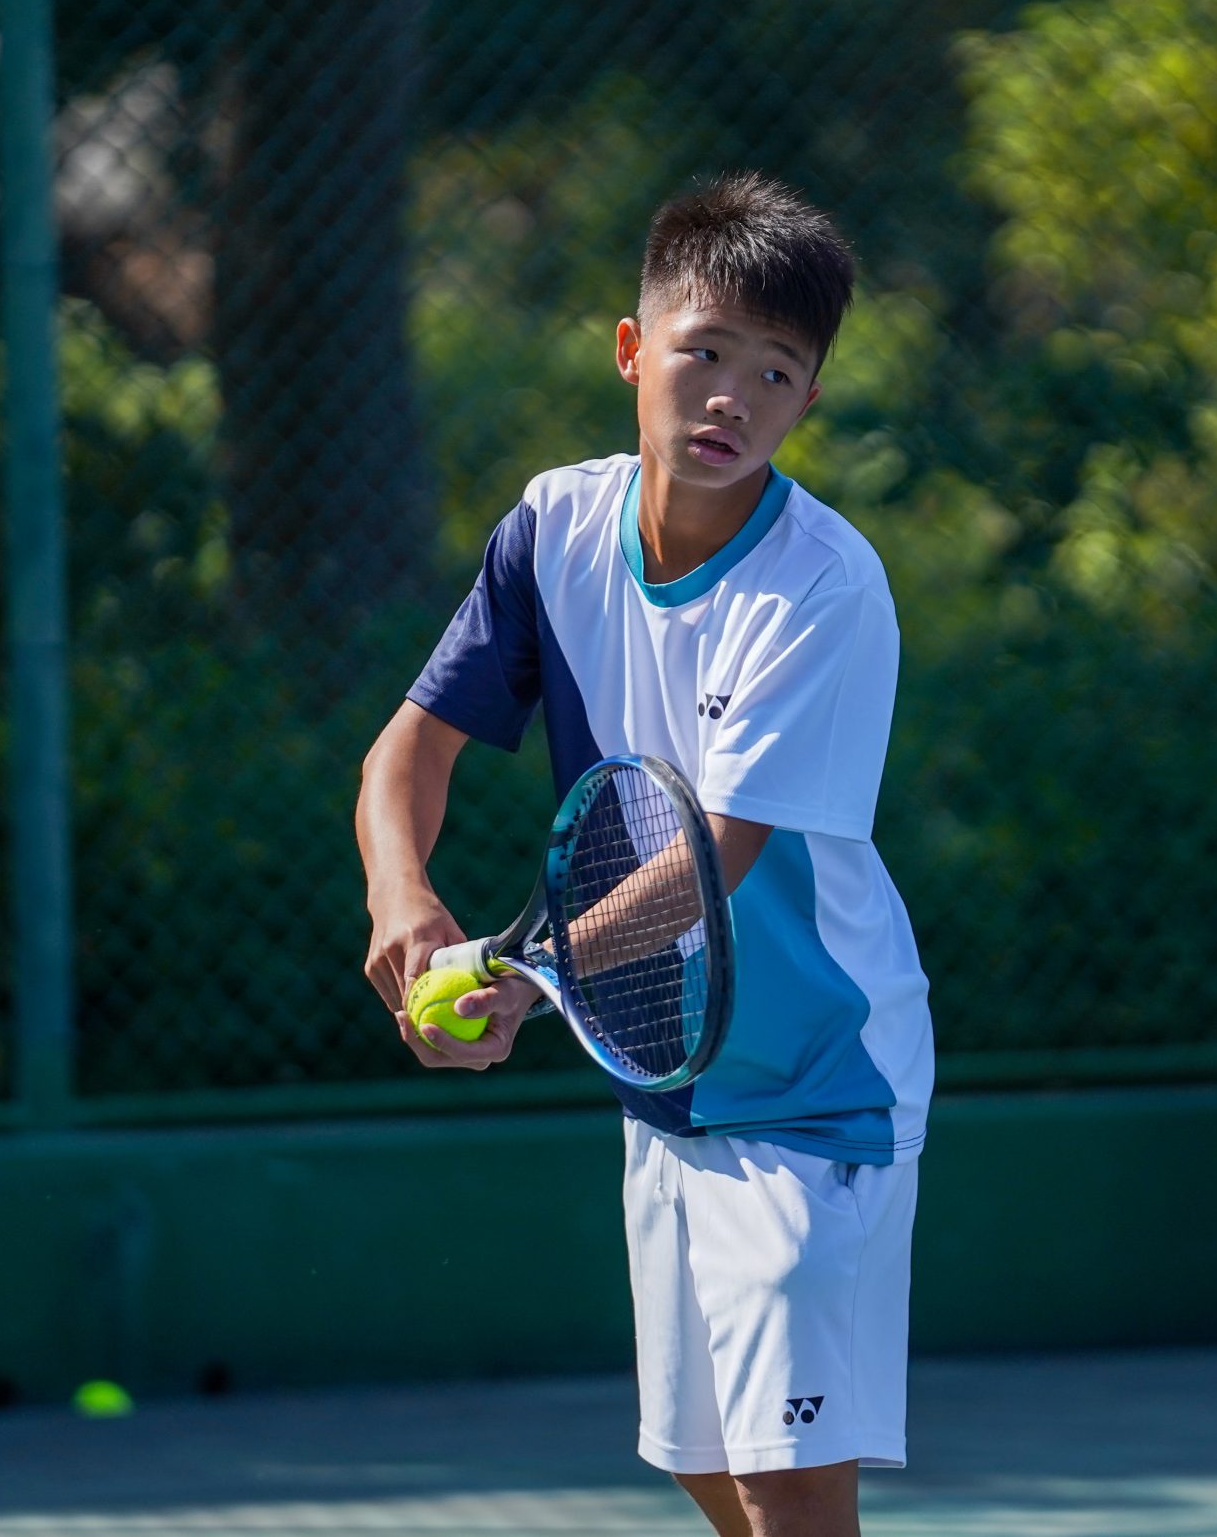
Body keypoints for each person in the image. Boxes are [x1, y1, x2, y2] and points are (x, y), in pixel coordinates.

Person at [355, 173, 930, 1537]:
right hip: (665, 1077)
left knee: (793, 1493)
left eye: (777, 370)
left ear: (808, 403)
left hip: (817, 1084)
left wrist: (514, 971)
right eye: (705, 350)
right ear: (633, 350)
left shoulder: (826, 585)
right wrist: (403, 899)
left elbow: (708, 862)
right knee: (709, 1469)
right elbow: (408, 754)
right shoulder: (554, 529)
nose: (733, 394)